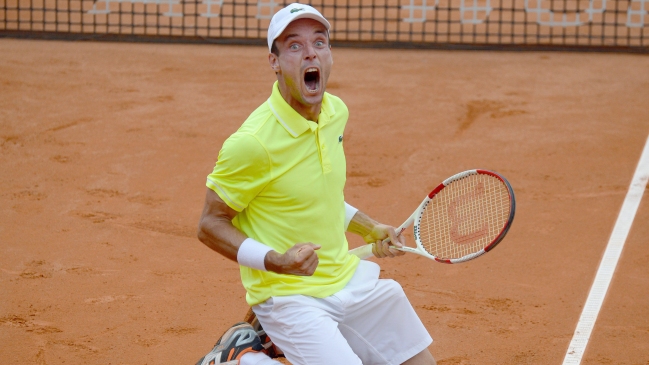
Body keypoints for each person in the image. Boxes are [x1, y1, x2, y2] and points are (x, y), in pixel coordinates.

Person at [196, 3, 436, 365]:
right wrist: (276, 262)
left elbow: (321, 198)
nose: (310, 52)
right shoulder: (252, 143)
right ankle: (240, 361)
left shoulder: (335, 112)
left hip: (346, 278)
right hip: (289, 296)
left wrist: (370, 227)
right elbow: (209, 225)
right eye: (294, 45)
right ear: (274, 62)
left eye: (319, 42)